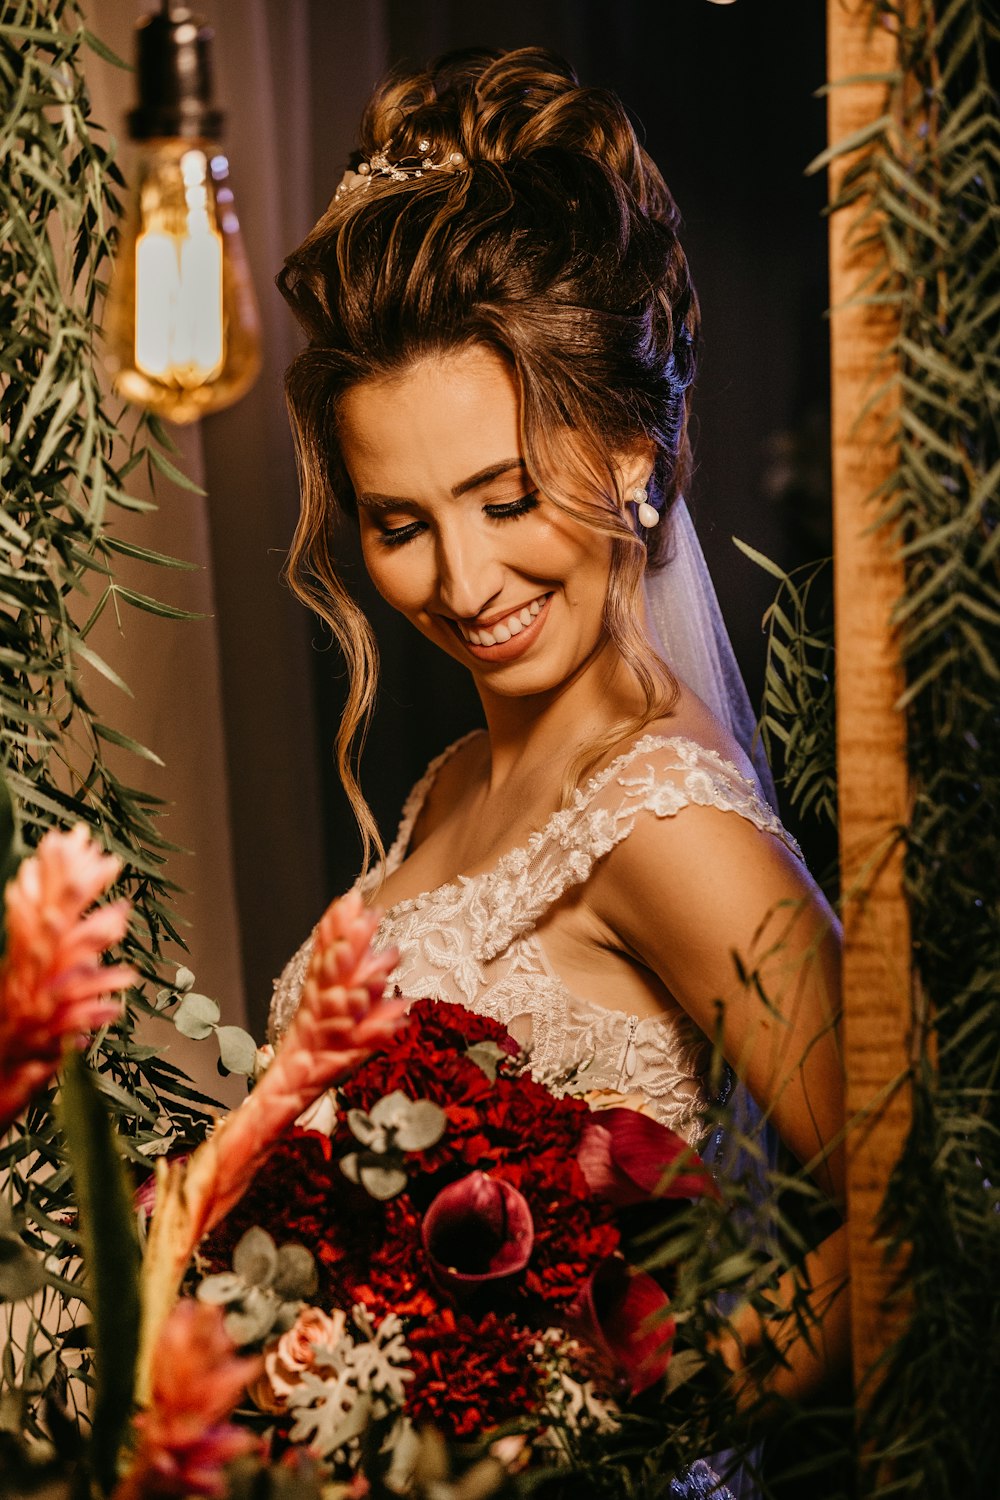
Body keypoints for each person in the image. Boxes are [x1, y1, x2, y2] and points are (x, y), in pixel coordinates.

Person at [269, 47, 847, 1498]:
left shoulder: (668, 822)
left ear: (634, 457)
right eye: (401, 522)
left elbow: (929, 1211)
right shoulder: (456, 780)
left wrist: (616, 1433)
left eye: (506, 497)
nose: (462, 582)